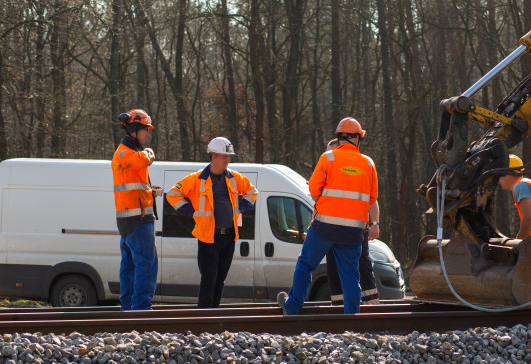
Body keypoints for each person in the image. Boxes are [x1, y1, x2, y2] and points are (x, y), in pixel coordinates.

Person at [277, 117, 378, 315]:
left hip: (325, 227)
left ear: (339, 138)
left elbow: (313, 190)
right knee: (350, 276)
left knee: (305, 265)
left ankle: (292, 307)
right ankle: (351, 318)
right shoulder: (368, 163)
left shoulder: (328, 158)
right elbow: (372, 198)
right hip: (353, 232)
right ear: (357, 138)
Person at [166, 137, 258, 308]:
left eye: (229, 156)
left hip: (229, 236)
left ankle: (214, 315)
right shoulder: (196, 178)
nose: (228, 160)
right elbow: (172, 194)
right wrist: (190, 211)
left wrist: (242, 206)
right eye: (225, 156)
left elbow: (253, 191)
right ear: (214, 156)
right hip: (208, 238)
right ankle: (204, 318)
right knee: (209, 280)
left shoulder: (234, 177)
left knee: (220, 280)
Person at [111, 109, 161, 311]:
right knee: (146, 264)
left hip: (130, 220)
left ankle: (129, 307)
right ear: (134, 130)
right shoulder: (127, 153)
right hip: (137, 220)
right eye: (145, 130)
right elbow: (145, 159)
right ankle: (140, 309)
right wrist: (150, 151)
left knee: (130, 266)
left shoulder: (125, 153)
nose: (147, 134)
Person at [323, 138, 380, 306]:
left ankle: (371, 306)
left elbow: (371, 198)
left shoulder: (356, 169)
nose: (329, 157)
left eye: (332, 153)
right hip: (331, 229)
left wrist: (375, 224)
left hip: (356, 228)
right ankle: (340, 308)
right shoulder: (328, 173)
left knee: (361, 266)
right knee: (334, 269)